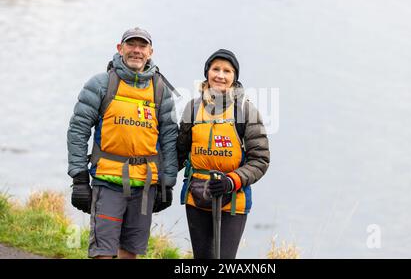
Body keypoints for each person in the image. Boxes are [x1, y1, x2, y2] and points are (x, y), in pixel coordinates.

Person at [67, 27, 178, 259]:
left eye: (142, 46)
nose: (136, 51)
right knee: (102, 253)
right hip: (107, 183)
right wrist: (78, 178)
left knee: (130, 254)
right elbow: (78, 131)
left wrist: (167, 183)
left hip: (145, 187)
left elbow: (169, 139)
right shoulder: (101, 84)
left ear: (150, 52)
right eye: (131, 45)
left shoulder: (160, 91)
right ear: (120, 48)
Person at [177, 49, 270, 259]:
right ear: (207, 73)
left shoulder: (247, 112)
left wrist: (231, 181)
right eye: (215, 69)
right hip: (196, 196)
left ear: (234, 77)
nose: (220, 75)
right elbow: (179, 152)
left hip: (233, 198)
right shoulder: (192, 109)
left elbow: (260, 160)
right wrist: (160, 181)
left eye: (227, 71)